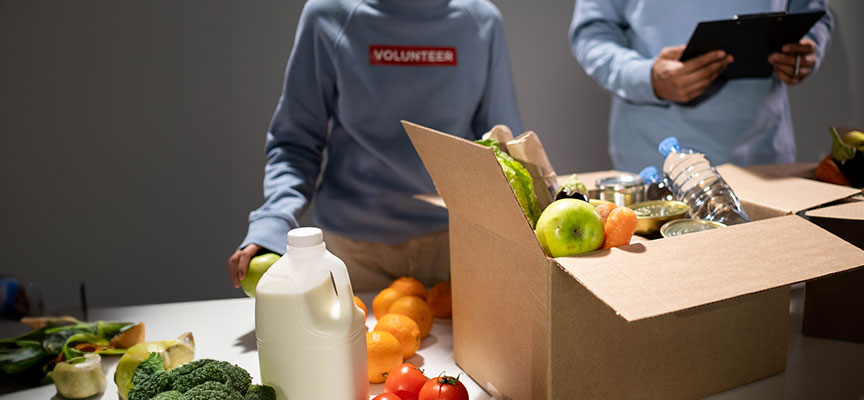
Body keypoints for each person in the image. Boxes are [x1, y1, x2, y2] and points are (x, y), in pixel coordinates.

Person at [228, 0, 523, 292]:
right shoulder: (327, 15)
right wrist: (273, 222)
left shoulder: (481, 21)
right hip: (352, 255)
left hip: (453, 247)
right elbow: (297, 141)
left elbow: (502, 147)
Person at [569, 0, 833, 172]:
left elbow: (814, 15)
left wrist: (809, 48)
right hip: (656, 158)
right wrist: (647, 77)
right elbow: (592, 34)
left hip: (763, 154)